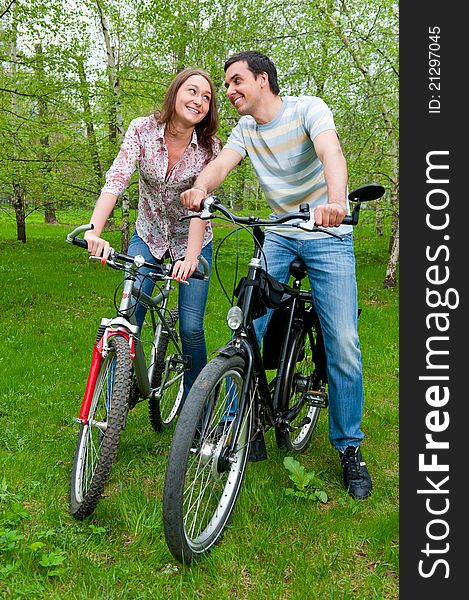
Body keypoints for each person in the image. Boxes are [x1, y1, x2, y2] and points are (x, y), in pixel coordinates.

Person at [180, 51, 372, 499]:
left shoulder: (309, 109)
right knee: (245, 323)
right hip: (280, 232)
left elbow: (332, 152)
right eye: (225, 85)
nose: (227, 92)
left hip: (327, 231)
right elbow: (222, 163)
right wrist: (201, 187)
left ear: (263, 79)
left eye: (235, 81)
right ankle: (237, 423)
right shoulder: (245, 129)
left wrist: (336, 203)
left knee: (342, 339)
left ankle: (349, 447)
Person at [84, 67, 221, 400]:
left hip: (193, 241)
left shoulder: (209, 148)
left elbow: (200, 207)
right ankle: (114, 406)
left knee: (191, 328)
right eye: (192, 91)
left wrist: (190, 259)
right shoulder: (141, 130)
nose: (198, 100)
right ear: (175, 93)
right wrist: (94, 231)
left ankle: (196, 408)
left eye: (206, 97)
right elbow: (116, 180)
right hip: (148, 235)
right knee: (130, 317)